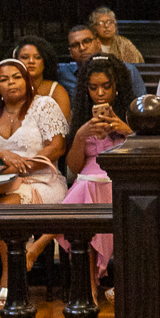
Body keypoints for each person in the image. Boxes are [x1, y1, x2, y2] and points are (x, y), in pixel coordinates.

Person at [0, 57, 70, 309]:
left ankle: (10, 283)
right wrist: (1, 155)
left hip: (40, 178)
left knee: (5, 209)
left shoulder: (44, 106)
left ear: (27, 80)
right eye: (4, 79)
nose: (11, 83)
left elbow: (57, 147)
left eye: (16, 77)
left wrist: (23, 166)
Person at [60, 56, 136, 298]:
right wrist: (81, 135)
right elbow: (73, 167)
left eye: (106, 86)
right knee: (86, 188)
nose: (100, 93)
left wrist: (127, 130)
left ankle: (43, 241)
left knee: (88, 193)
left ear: (117, 86)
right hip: (89, 177)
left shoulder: (132, 112)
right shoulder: (81, 114)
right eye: (93, 88)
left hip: (121, 175)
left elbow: (146, 152)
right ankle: (90, 287)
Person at [57, 24, 146, 100]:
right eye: (75, 45)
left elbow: (141, 106)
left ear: (98, 43)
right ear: (70, 52)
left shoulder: (127, 70)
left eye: (87, 41)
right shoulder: (64, 73)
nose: (82, 48)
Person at [12, 35, 74, 120]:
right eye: (25, 57)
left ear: (45, 61)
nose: (31, 61)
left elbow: (62, 128)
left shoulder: (57, 92)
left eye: (37, 57)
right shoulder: (5, 87)